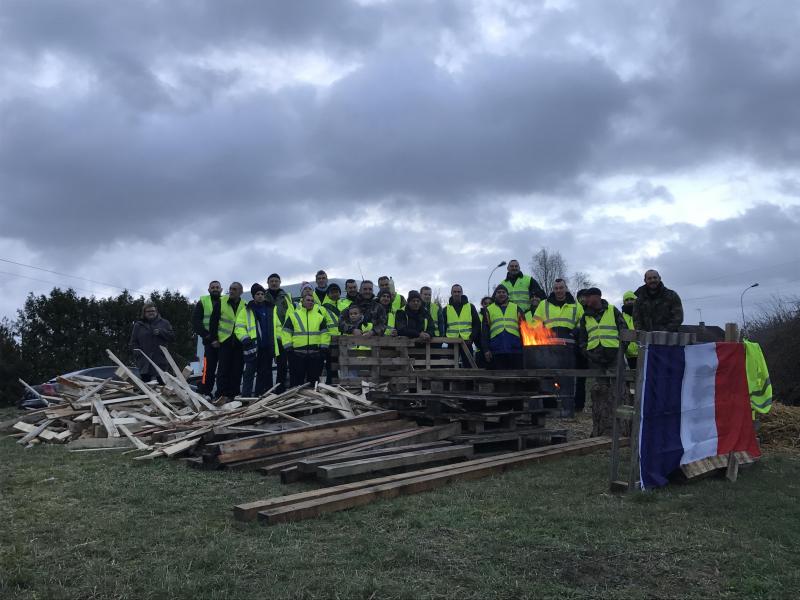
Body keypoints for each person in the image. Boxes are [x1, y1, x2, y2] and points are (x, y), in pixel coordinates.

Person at [576, 288, 629, 436]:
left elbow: (624, 331)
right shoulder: (585, 316)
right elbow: (582, 339)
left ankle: (621, 428)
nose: (586, 300)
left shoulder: (612, 310)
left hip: (614, 357)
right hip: (596, 359)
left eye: (588, 297)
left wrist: (620, 350)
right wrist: (588, 353)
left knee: (619, 391)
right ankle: (602, 429)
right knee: (600, 393)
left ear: (597, 297)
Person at [235, 283, 281, 397]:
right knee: (249, 373)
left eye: (262, 293)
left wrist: (279, 339)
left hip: (267, 347)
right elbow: (239, 327)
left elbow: (278, 326)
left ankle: (260, 396)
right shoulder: (246, 310)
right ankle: (245, 398)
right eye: (257, 294)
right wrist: (245, 338)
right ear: (253, 296)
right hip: (252, 347)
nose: (260, 296)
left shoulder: (271, 309)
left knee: (264, 373)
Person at [283, 293, 330, 386]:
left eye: (312, 301)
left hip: (315, 355)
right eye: (308, 300)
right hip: (297, 354)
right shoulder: (293, 316)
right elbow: (286, 332)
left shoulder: (319, 317)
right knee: (297, 381)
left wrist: (323, 348)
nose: (310, 302)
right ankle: (296, 400)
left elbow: (325, 333)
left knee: (313, 381)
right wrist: (288, 347)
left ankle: (313, 399)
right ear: (302, 301)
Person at [216, 282, 247, 402]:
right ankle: (221, 394)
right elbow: (215, 320)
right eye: (230, 289)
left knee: (237, 370)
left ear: (241, 291)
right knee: (223, 370)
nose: (232, 291)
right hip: (224, 341)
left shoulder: (245, 305)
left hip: (239, 343)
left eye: (234, 289)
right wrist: (214, 338)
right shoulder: (222, 302)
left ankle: (234, 394)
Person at [129, 302, 176, 383]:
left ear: (156, 312)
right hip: (144, 361)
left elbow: (172, 337)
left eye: (153, 311)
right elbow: (133, 342)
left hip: (160, 360)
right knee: (145, 387)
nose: (151, 313)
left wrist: (161, 332)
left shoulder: (164, 323)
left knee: (164, 384)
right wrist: (137, 353)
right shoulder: (138, 325)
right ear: (144, 313)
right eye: (148, 311)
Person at [191, 280, 223, 396]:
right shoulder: (203, 302)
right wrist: (208, 336)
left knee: (223, 370)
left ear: (221, 290)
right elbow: (196, 321)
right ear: (209, 290)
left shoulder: (225, 302)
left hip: (224, 341)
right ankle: (205, 390)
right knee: (208, 369)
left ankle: (221, 393)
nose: (215, 289)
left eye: (217, 287)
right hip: (209, 342)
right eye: (213, 287)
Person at [481, 284, 524, 370]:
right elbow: (485, 332)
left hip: (515, 349)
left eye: (503, 292)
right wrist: (486, 350)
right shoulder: (488, 310)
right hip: (496, 350)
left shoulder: (516, 308)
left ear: (507, 294)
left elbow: (524, 329)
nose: (501, 294)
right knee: (499, 380)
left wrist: (525, 348)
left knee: (517, 379)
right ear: (495, 295)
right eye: (499, 292)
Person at [264, 273, 293, 393]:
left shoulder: (286, 297)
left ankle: (280, 390)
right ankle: (267, 390)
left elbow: (291, 315)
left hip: (282, 337)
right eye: (272, 281)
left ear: (280, 282)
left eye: (276, 281)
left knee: (282, 366)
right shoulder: (263, 296)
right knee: (265, 366)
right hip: (267, 336)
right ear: (268, 283)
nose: (274, 283)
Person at [443, 284, 481, 367]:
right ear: (451, 293)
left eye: (458, 292)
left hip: (467, 341)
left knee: (469, 365)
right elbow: (443, 326)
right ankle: (452, 380)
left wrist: (472, 337)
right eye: (454, 292)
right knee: (451, 365)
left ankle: (468, 380)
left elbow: (477, 324)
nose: (457, 294)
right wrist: (445, 338)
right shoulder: (446, 309)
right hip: (452, 342)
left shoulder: (470, 307)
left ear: (462, 293)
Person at [620, 290, 639, 369]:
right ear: (624, 302)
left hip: (642, 351)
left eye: (632, 299)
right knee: (629, 377)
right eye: (627, 300)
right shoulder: (620, 316)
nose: (629, 301)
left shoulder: (642, 314)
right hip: (628, 353)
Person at [475, 296, 493, 368]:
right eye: (485, 303)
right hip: (480, 349)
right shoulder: (477, 316)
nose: (488, 305)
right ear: (482, 304)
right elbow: (475, 332)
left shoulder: (495, 315)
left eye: (490, 303)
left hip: (493, 349)